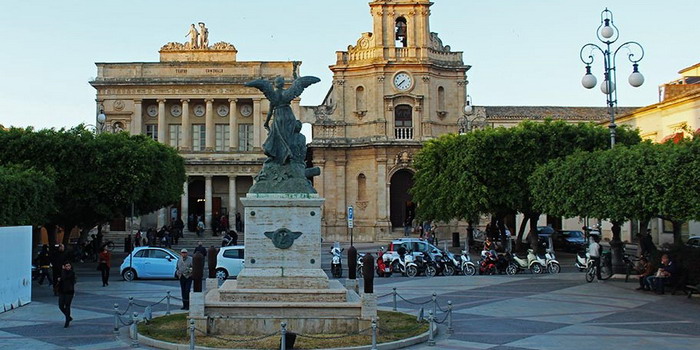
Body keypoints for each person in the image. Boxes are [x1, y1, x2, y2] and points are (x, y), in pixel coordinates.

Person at [57, 262, 76, 328]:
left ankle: (67, 321)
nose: (68, 267)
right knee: (60, 305)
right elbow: (60, 279)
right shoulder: (62, 272)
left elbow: (64, 278)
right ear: (64, 266)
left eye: (69, 266)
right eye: (66, 266)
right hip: (62, 291)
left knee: (67, 306)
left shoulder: (71, 272)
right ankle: (68, 317)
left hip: (69, 291)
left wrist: (63, 271)